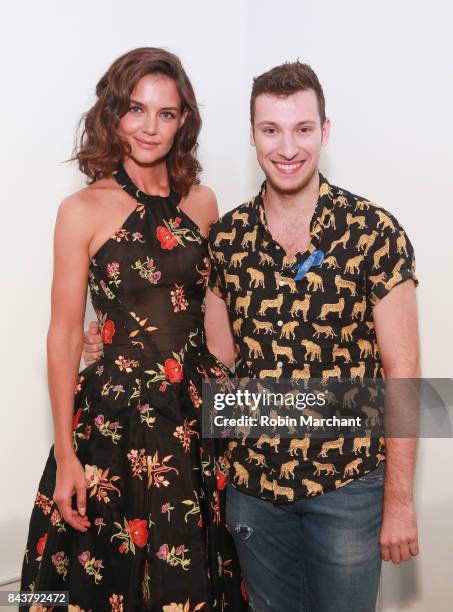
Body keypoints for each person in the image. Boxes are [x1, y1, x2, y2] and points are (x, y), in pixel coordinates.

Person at [83, 61, 421, 612]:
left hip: (349, 489)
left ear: (324, 131)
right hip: (252, 494)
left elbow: (404, 370)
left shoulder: (374, 232)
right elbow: (213, 352)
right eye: (271, 130)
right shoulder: (229, 236)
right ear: (253, 135)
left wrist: (400, 500)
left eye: (302, 129)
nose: (287, 147)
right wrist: (113, 338)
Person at [20, 47, 246, 612]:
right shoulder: (83, 209)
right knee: (104, 578)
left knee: (198, 576)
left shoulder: (204, 203)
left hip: (197, 420)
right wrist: (69, 457)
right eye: (136, 110)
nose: (150, 127)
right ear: (113, 114)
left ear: (183, 120)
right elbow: (66, 334)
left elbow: (217, 326)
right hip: (116, 422)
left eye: (166, 113)